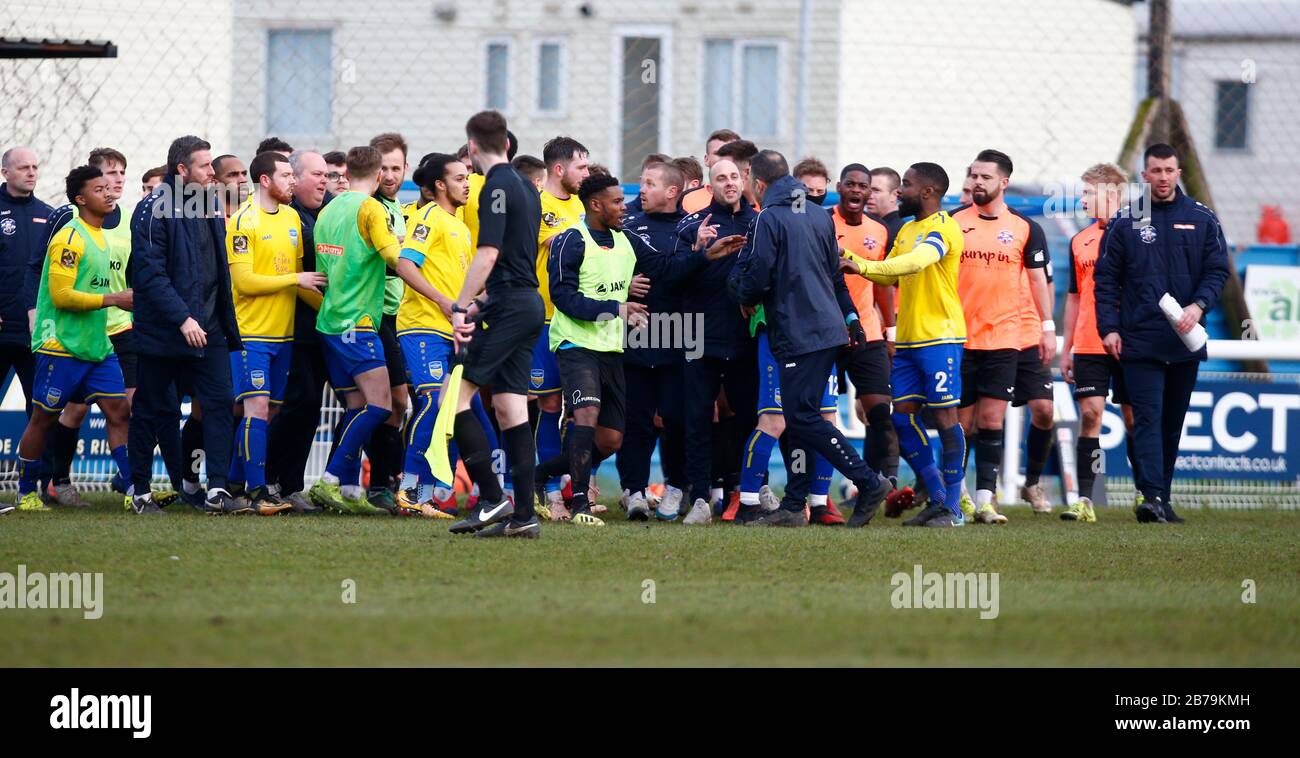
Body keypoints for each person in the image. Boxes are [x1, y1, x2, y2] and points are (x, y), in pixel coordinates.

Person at [729, 150, 890, 528]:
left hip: (797, 330)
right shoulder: (819, 215)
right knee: (801, 418)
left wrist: (738, 292)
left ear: (759, 182)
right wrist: (850, 316)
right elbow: (835, 275)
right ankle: (794, 504)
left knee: (802, 416)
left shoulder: (769, 216)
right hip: (826, 330)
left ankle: (868, 481)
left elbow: (759, 275)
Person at [1094, 143, 1229, 524]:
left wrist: (1198, 306)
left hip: (1185, 340)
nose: (1163, 177)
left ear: (1179, 172)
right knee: (1148, 419)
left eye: (1169, 170)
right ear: (1144, 175)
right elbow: (1105, 281)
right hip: (1140, 340)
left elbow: (1217, 271)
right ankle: (1151, 496)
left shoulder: (1202, 218)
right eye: (1156, 171)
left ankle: (1162, 498)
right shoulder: (1125, 220)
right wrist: (1109, 329)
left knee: (1172, 423)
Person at [841, 162, 967, 527]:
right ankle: (937, 497)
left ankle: (954, 508)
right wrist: (854, 263)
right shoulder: (907, 228)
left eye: (906, 185)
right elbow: (893, 267)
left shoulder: (944, 227)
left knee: (945, 417)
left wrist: (860, 266)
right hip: (910, 340)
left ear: (928, 192)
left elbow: (914, 263)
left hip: (941, 337)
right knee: (902, 417)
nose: (899, 192)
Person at [6, 165, 135, 515]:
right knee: (43, 418)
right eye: (99, 189)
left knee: (119, 411)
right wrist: (114, 299)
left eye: (110, 187)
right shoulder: (69, 238)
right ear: (81, 199)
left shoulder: (103, 237)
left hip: (97, 345)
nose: (109, 193)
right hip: (60, 345)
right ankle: (26, 492)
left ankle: (134, 493)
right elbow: (62, 296)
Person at [129, 135, 245, 514]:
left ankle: (217, 490)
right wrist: (182, 318)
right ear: (182, 170)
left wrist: (217, 321)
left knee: (218, 405)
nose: (213, 173)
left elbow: (214, 272)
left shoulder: (209, 206)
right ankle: (141, 493)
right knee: (152, 409)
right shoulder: (151, 211)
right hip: (165, 332)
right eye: (204, 166)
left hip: (208, 330)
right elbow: (150, 276)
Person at [444, 110, 545, 539]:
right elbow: (516, 260)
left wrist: (461, 306)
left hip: (508, 307)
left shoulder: (495, 187)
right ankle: (524, 515)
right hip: (525, 304)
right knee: (510, 406)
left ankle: (491, 499)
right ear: (506, 142)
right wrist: (485, 301)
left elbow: (488, 255)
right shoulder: (526, 185)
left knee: (454, 398)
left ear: (470, 149)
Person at [953, 150, 1054, 523]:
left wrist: (1046, 327)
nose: (978, 182)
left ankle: (984, 501)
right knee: (962, 423)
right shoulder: (952, 222)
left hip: (1005, 338)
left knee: (993, 420)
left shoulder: (1026, 228)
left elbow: (1037, 280)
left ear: (1004, 183)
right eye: (974, 176)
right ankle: (956, 496)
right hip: (960, 337)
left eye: (985, 177)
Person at [391, 153, 494, 518]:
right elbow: (405, 265)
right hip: (422, 326)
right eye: (459, 177)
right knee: (433, 402)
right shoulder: (428, 218)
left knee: (467, 410)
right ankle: (409, 490)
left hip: (455, 331)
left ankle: (481, 491)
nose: (467, 183)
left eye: (468, 177)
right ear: (439, 185)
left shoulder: (461, 227)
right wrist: (444, 303)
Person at [41, 147, 143, 507]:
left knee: (125, 409)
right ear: (89, 185)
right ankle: (56, 480)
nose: (115, 182)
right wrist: (30, 309)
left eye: (121, 174)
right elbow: (46, 274)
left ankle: (133, 484)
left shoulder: (130, 220)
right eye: (108, 175)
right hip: (77, 331)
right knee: (73, 410)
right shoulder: (67, 221)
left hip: (120, 328)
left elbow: (133, 273)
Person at [225, 151, 325, 515]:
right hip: (251, 334)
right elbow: (245, 281)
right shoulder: (243, 221)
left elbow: (300, 284)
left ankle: (231, 485)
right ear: (265, 180)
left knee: (271, 411)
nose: (293, 181)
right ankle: (257, 493)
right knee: (257, 407)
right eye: (286, 175)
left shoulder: (293, 220)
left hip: (284, 336)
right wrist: (295, 278)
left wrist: (332, 313)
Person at [305, 146, 399, 515]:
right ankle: (327, 480)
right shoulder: (371, 208)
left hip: (329, 322)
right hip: (358, 324)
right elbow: (394, 257)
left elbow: (327, 268)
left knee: (356, 405)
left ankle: (347, 488)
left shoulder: (328, 210)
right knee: (381, 405)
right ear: (378, 176)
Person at [674, 158, 757, 521]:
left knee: (749, 417)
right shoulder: (693, 225)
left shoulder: (760, 223)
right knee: (696, 418)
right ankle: (700, 498)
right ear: (710, 185)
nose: (729, 183)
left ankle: (748, 492)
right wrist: (699, 253)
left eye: (735, 177)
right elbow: (670, 279)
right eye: (721, 178)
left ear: (744, 181)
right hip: (697, 333)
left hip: (744, 336)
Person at [1060, 162, 1137, 522]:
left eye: (1090, 192)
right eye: (1084, 191)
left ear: (1114, 194)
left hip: (1131, 342)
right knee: (1090, 415)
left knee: (1135, 419)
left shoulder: (1140, 234)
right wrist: (1067, 347)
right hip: (1090, 341)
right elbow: (1075, 297)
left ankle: (1145, 493)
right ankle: (1085, 500)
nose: (1083, 198)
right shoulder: (1081, 240)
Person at [617, 160, 689, 520]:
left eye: (648, 183)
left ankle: (676, 488)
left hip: (682, 332)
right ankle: (634, 492)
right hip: (637, 332)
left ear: (672, 192)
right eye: (640, 182)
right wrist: (624, 286)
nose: (640, 189)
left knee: (677, 418)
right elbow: (603, 270)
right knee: (637, 420)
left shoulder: (693, 228)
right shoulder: (628, 226)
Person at [831, 163, 902, 515]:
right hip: (827, 336)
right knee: (816, 416)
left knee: (879, 411)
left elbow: (882, 283)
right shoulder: (823, 223)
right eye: (852, 184)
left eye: (866, 187)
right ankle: (817, 495)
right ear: (839, 187)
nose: (859, 191)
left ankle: (877, 484)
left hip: (868, 335)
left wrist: (890, 331)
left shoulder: (880, 231)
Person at [265, 150, 331, 513]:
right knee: (292, 403)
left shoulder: (329, 211)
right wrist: (331, 312)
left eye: (327, 175)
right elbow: (292, 279)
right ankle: (265, 479)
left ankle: (291, 484)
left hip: (320, 329)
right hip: (291, 327)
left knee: (309, 407)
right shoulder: (288, 217)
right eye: (317, 175)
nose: (324, 181)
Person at [531, 136, 590, 518]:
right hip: (545, 318)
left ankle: (580, 485)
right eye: (581, 167)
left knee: (583, 408)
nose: (586, 173)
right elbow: (558, 243)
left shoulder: (583, 205)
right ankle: (551, 492)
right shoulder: (536, 205)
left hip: (579, 319)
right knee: (549, 403)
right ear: (559, 168)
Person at [364, 132, 412, 511]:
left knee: (396, 403)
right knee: (384, 402)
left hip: (398, 317)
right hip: (373, 317)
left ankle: (388, 481)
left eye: (396, 167)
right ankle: (377, 482)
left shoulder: (402, 210)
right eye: (384, 168)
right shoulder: (369, 208)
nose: (390, 175)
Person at [1, 147, 47, 421]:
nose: (31, 173)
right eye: (23, 168)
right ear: (5, 172)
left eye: (34, 167)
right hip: (3, 327)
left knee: (41, 409)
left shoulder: (49, 214)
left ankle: (35, 465)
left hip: (36, 331)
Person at [681, 129, 740, 214]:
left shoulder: (753, 199)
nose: (724, 158)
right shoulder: (689, 200)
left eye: (730, 153)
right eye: (718, 153)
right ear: (706, 159)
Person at [867, 167, 904, 240]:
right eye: (867, 189)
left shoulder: (898, 232)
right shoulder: (871, 224)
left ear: (894, 195)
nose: (869, 195)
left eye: (876, 190)